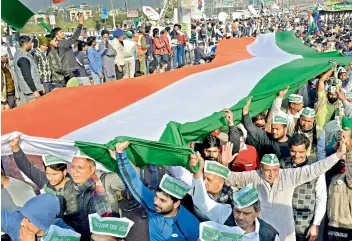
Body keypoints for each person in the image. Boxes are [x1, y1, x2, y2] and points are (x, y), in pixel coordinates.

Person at [221, 132, 347, 241]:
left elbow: (315, 169)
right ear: (261, 168)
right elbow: (230, 178)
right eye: (267, 170)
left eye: (275, 170)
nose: (272, 174)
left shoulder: (288, 175)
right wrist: (225, 164)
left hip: (287, 232)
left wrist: (340, 153)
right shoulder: (254, 176)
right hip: (264, 233)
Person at [109, 141, 200, 241]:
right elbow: (134, 181)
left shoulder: (191, 224)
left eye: (163, 200)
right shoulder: (152, 203)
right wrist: (121, 155)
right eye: (157, 196)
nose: (156, 201)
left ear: (176, 203)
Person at [189, 153, 280, 241]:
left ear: (257, 212)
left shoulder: (269, 235)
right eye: (237, 211)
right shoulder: (226, 213)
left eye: (246, 213)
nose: (240, 217)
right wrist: (197, 175)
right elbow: (202, 203)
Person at [59, 150, 125, 240]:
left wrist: (120, 157)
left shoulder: (105, 181)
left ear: (93, 169)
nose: (74, 171)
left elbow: (133, 178)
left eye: (80, 167)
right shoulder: (68, 186)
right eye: (73, 166)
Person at [279, 134, 327, 241]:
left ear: (307, 150)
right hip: (283, 224)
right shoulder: (281, 165)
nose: (296, 155)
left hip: (305, 226)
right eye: (293, 151)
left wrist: (315, 224)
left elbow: (321, 198)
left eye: (301, 152)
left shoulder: (316, 169)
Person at [1, 193, 72, 241]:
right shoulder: (18, 221)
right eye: (24, 216)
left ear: (42, 222)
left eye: (29, 220)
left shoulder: (65, 236)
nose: (22, 223)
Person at [325, 128, 352, 241]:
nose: (342, 153)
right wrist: (337, 148)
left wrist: (348, 147)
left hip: (348, 229)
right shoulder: (330, 173)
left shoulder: (348, 173)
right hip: (331, 227)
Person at [51, 14, 83, 78]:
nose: (63, 33)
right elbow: (73, 38)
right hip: (69, 70)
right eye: (60, 32)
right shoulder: (62, 44)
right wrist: (80, 24)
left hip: (72, 69)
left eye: (62, 31)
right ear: (56, 36)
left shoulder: (60, 44)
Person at [13, 36, 43, 103]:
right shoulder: (22, 58)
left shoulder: (21, 53)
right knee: (36, 110)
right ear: (26, 44)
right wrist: (35, 91)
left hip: (32, 89)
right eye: (30, 42)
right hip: (31, 91)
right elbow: (27, 76)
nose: (32, 44)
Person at [1, 46, 18, 110]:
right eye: (5, 56)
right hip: (6, 97)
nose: (7, 57)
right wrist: (4, 102)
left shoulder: (6, 66)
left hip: (12, 94)